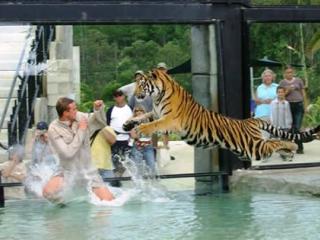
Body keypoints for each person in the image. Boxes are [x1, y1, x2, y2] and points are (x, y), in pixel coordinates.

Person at [42, 97, 114, 203]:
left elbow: (102, 123)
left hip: (87, 170)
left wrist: (98, 110)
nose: (77, 111)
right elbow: (68, 153)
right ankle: (64, 208)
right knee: (47, 193)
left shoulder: (80, 116)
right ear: (65, 113)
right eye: (74, 109)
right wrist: (81, 130)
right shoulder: (53, 128)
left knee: (110, 202)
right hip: (66, 170)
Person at [106, 90, 133, 185]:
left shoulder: (130, 109)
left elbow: (135, 123)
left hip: (127, 139)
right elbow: (106, 125)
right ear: (114, 98)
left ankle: (115, 180)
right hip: (114, 139)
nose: (118, 97)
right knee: (115, 162)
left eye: (120, 95)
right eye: (116, 96)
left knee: (125, 162)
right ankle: (115, 182)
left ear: (124, 96)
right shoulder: (110, 110)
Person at [279, 65, 306, 154]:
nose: (289, 74)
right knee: (289, 128)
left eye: (291, 72)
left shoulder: (299, 80)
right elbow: (281, 95)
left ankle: (300, 148)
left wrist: (305, 106)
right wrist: (288, 91)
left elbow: (303, 93)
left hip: (298, 105)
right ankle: (288, 147)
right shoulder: (282, 83)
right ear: (284, 74)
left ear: (293, 72)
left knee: (297, 127)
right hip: (288, 106)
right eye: (287, 72)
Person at [127, 105, 156, 175]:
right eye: (137, 111)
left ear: (144, 112)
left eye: (141, 110)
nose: (139, 112)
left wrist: (155, 144)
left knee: (152, 166)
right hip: (137, 147)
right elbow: (133, 136)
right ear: (134, 113)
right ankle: (138, 185)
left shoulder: (149, 121)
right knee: (137, 169)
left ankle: (152, 183)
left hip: (148, 147)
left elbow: (154, 133)